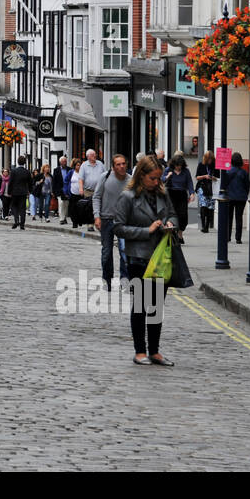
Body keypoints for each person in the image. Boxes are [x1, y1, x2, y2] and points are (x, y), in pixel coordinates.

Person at [114, 155, 179, 366]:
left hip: (161, 258)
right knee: (141, 306)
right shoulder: (128, 197)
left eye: (159, 178)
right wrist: (146, 230)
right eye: (152, 178)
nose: (156, 182)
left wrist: (171, 223)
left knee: (156, 307)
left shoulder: (162, 193)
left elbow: (173, 214)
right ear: (141, 175)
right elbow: (118, 228)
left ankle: (155, 351)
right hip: (138, 258)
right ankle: (140, 351)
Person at [94, 153, 130, 288]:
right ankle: (107, 279)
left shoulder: (131, 180)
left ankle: (124, 280)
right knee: (107, 252)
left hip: (124, 221)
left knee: (125, 251)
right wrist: (97, 216)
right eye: (118, 164)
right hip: (106, 219)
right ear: (113, 167)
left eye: (123, 164)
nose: (121, 167)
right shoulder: (105, 177)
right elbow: (96, 197)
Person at [222, 152, 250, 244]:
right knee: (239, 218)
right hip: (241, 197)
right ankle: (238, 238)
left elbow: (224, 184)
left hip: (230, 197)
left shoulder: (228, 171)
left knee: (229, 217)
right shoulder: (244, 173)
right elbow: (247, 186)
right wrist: (245, 194)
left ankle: (227, 236)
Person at [163, 153, 195, 233]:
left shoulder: (186, 171)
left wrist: (192, 193)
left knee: (183, 215)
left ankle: (180, 232)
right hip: (171, 193)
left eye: (180, 165)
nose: (178, 167)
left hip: (182, 194)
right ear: (173, 164)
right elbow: (161, 179)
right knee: (173, 214)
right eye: (177, 165)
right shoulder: (168, 169)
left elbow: (189, 183)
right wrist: (167, 176)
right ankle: (174, 232)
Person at [78, 149, 108, 216]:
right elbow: (80, 178)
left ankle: (97, 222)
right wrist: (81, 189)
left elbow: (105, 176)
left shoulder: (100, 164)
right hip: (88, 191)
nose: (95, 156)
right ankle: (90, 224)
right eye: (92, 155)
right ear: (88, 157)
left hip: (99, 190)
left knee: (99, 207)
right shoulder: (84, 165)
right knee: (89, 207)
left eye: (95, 154)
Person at [194, 150, 217, 233]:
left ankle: (207, 225)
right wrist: (204, 176)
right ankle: (203, 226)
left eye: (211, 159)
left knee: (210, 207)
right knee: (203, 206)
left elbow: (218, 177)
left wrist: (213, 178)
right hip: (202, 187)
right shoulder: (201, 165)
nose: (210, 161)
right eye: (209, 159)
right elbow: (197, 177)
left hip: (212, 188)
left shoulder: (214, 165)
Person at [7, 156, 32, 229]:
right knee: (22, 208)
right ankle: (22, 224)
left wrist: (9, 191)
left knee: (14, 206)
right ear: (24, 163)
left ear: (18, 162)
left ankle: (16, 220)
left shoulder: (14, 171)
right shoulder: (27, 172)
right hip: (23, 192)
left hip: (15, 192)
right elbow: (30, 182)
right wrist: (30, 191)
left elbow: (10, 182)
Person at [55, 156, 74, 225]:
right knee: (61, 204)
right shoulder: (56, 170)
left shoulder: (69, 169)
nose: (65, 163)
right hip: (59, 190)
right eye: (63, 161)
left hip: (67, 190)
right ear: (60, 162)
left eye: (65, 161)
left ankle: (64, 217)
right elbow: (55, 181)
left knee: (66, 204)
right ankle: (61, 219)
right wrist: (54, 191)